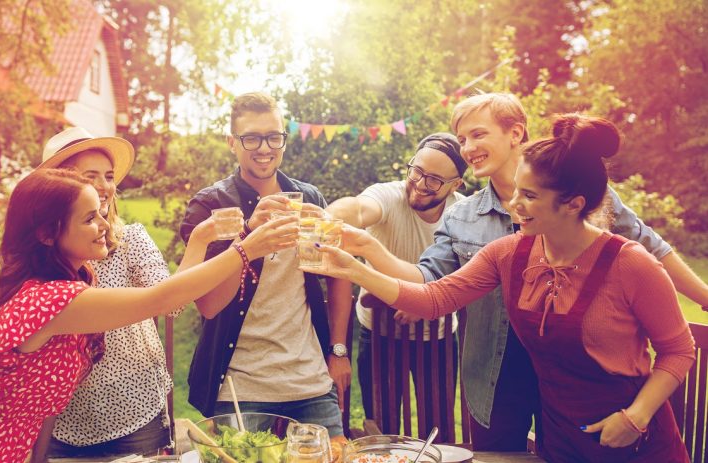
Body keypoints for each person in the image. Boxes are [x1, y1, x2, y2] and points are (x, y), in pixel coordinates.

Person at [305, 114, 695, 462]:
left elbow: (679, 349)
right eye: (516, 192)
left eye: (529, 196)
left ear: (573, 204)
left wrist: (636, 416)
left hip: (634, 442)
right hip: (559, 443)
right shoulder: (508, 253)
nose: (513, 206)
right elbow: (434, 298)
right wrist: (356, 262)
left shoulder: (631, 263)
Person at [0, 168, 297, 463]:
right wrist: (247, 249)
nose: (104, 224)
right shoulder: (49, 299)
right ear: (46, 233)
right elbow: (161, 299)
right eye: (89, 218)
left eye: (101, 211)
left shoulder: (73, 280)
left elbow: (41, 408)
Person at [179, 92, 350, 437]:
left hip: (310, 384)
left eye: (274, 136)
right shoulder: (211, 206)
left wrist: (338, 350)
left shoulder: (309, 199)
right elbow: (210, 306)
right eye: (251, 138)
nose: (264, 148)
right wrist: (248, 236)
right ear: (232, 142)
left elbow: (336, 272)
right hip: (240, 391)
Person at [25, 127, 173, 459]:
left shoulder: (130, 238)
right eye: (91, 177)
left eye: (108, 176)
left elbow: (169, 302)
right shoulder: (40, 263)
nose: (105, 186)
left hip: (135, 412)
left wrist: (209, 244)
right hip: (63, 423)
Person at [326, 132, 466, 430]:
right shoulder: (389, 194)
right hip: (378, 334)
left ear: (456, 185)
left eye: (434, 180)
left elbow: (471, 275)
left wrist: (428, 304)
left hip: (438, 339)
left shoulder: (463, 213)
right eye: (417, 171)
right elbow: (359, 208)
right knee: (381, 428)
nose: (419, 184)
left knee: (438, 427)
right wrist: (328, 216)